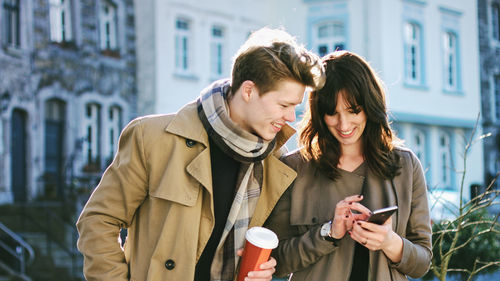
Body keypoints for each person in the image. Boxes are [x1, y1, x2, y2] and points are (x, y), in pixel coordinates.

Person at [76, 28, 324, 281]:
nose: (291, 117)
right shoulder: (153, 138)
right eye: (284, 105)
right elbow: (98, 221)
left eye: (295, 107)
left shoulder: (274, 163)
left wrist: (266, 268)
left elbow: (276, 251)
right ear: (249, 91)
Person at [265, 51, 432, 281]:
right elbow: (275, 261)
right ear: (319, 113)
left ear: (369, 105)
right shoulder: (293, 168)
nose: (343, 125)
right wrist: (328, 233)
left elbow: (422, 263)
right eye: (332, 113)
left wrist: (390, 242)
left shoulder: (406, 165)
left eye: (353, 111)